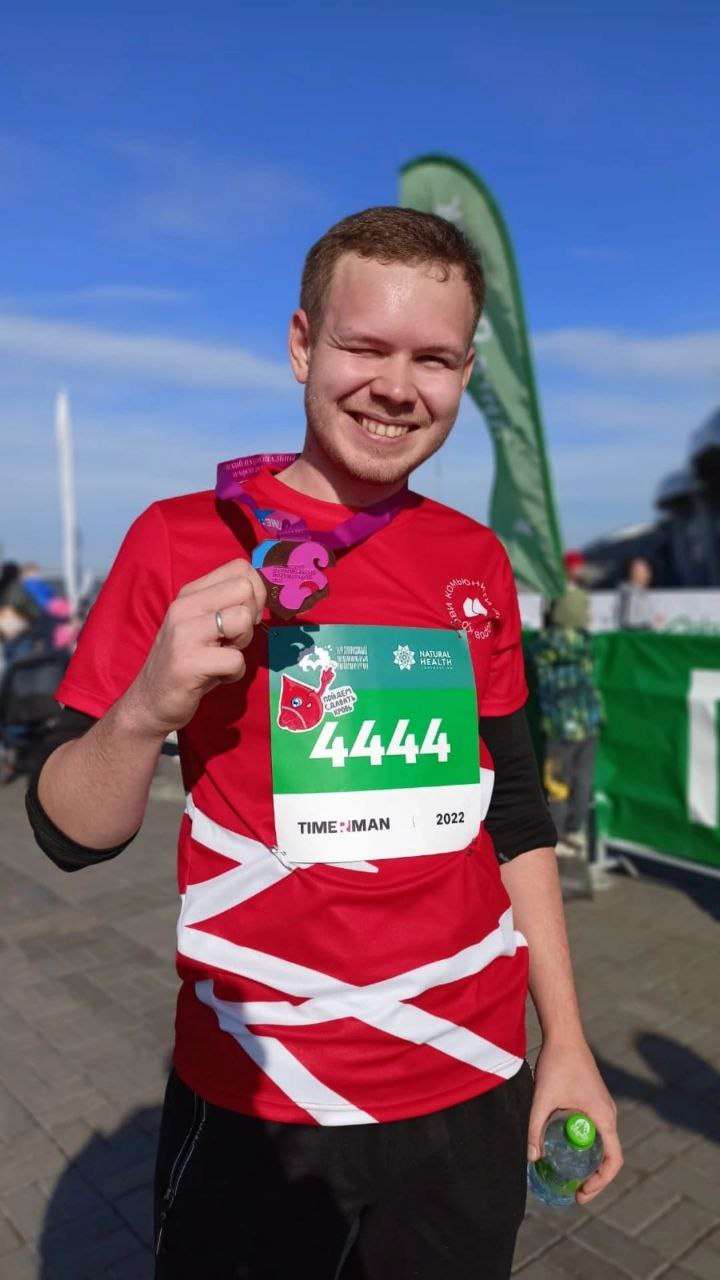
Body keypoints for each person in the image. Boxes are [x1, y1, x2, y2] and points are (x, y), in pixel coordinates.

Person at [27, 207, 621, 1279]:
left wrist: (567, 1044)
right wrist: (145, 710)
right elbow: (67, 834)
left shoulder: (475, 558)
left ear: (465, 373)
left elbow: (516, 813)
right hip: (261, 1090)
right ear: (303, 344)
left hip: (471, 1071)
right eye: (365, 346)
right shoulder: (180, 538)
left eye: (432, 358)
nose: (396, 386)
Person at [532, 573, 602, 859]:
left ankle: (557, 832)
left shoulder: (544, 644)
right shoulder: (586, 643)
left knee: (557, 779)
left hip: (560, 725)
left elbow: (537, 666)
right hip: (589, 722)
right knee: (583, 778)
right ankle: (575, 828)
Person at [617, 555, 655, 629]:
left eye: (646, 570)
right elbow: (630, 622)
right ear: (632, 573)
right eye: (642, 571)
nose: (647, 574)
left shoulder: (642, 592)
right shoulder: (630, 593)